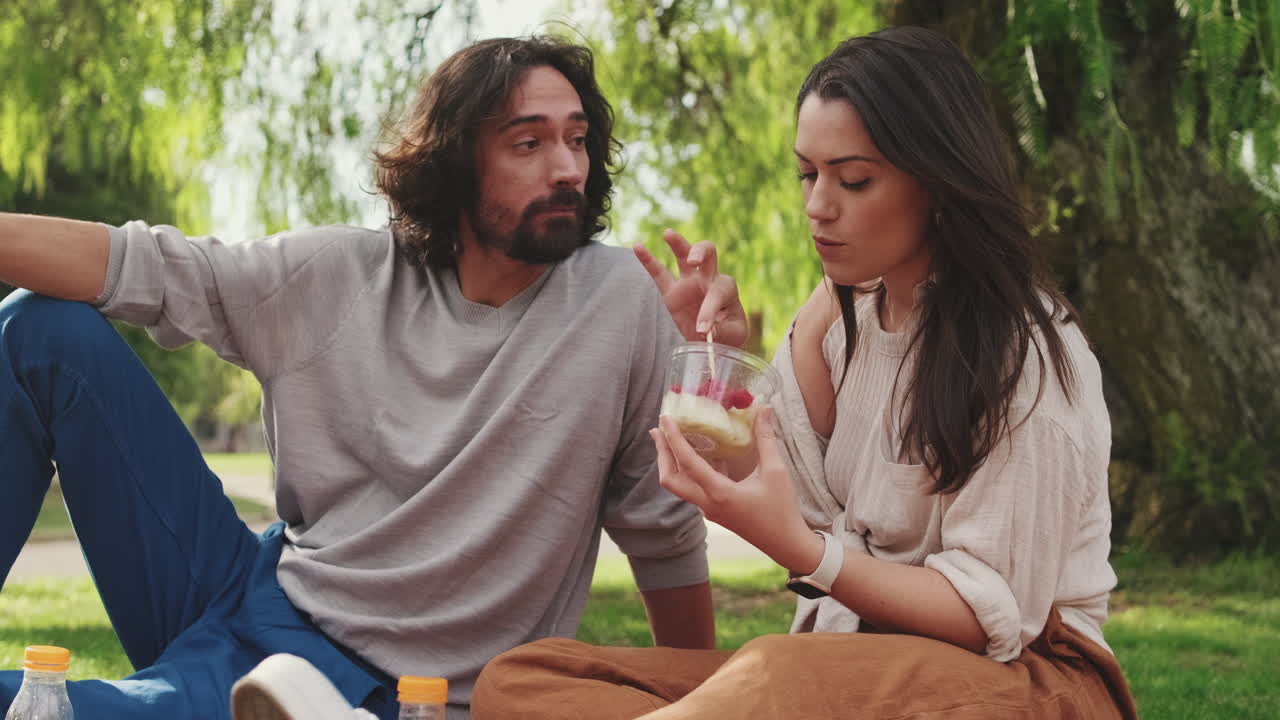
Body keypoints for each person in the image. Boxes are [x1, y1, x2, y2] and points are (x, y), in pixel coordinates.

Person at [0, 35, 747, 720]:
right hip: (254, 605)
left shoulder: (618, 302)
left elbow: (663, 532)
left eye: (578, 140)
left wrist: (702, 701)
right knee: (44, 330)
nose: (568, 168)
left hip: (399, 694)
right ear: (457, 163)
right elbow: (147, 267)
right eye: (530, 142)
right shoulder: (337, 276)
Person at [470, 26, 1139, 719]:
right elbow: (759, 468)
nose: (818, 206)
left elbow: (994, 617)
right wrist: (715, 361)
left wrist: (803, 552)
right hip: (847, 666)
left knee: (774, 675)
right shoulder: (839, 318)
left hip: (1026, 681)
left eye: (853, 180)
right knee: (523, 677)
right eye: (808, 174)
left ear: (939, 182)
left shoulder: (1022, 349)